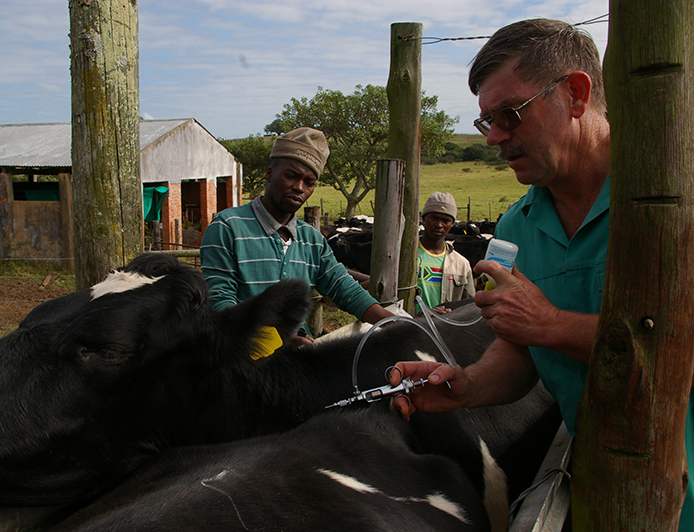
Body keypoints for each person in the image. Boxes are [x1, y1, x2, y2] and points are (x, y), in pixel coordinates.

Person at [389, 18, 694, 527]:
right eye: (488, 121)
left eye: (511, 114)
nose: (495, 139)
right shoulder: (514, 227)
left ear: (576, 94)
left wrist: (551, 324)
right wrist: (467, 386)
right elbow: (522, 346)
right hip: (604, 488)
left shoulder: (674, 194)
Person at [200, 127, 394, 345]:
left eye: (309, 182)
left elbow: (343, 288)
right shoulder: (228, 227)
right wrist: (275, 341)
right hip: (241, 361)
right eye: (291, 176)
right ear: (270, 173)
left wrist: (396, 324)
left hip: (297, 361)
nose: (299, 187)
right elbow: (219, 303)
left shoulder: (312, 240)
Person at [415, 191, 475, 315]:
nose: (439, 225)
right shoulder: (404, 256)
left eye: (445, 220)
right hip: (406, 329)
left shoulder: (462, 265)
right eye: (434, 218)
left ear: (452, 224)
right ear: (423, 218)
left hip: (444, 331)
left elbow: (469, 308)